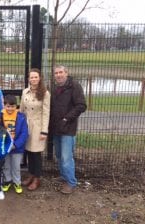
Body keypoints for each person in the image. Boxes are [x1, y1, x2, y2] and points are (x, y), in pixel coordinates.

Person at [50, 65, 86, 194]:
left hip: (68, 128)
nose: (58, 75)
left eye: (61, 72)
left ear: (66, 73)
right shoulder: (54, 88)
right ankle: (64, 176)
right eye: (56, 73)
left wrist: (66, 119)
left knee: (66, 157)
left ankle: (71, 182)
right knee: (59, 155)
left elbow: (81, 105)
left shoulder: (74, 86)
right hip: (56, 128)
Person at [20, 68, 50, 191]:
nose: (33, 79)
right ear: (29, 79)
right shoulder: (25, 92)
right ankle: (31, 174)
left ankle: (37, 178)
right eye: (31, 77)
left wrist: (44, 131)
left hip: (37, 126)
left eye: (35, 77)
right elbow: (21, 110)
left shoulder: (45, 93)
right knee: (28, 152)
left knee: (36, 153)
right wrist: (19, 126)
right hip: (26, 126)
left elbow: (46, 113)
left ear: (40, 78)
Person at [1, 95, 28, 194]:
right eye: (8, 106)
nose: (10, 109)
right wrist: (3, 144)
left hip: (17, 147)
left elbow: (24, 133)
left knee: (16, 166)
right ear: (4, 106)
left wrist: (16, 144)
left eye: (12, 106)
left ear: (16, 106)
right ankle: (7, 181)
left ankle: (17, 182)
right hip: (5, 146)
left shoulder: (21, 116)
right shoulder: (0, 116)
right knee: (6, 165)